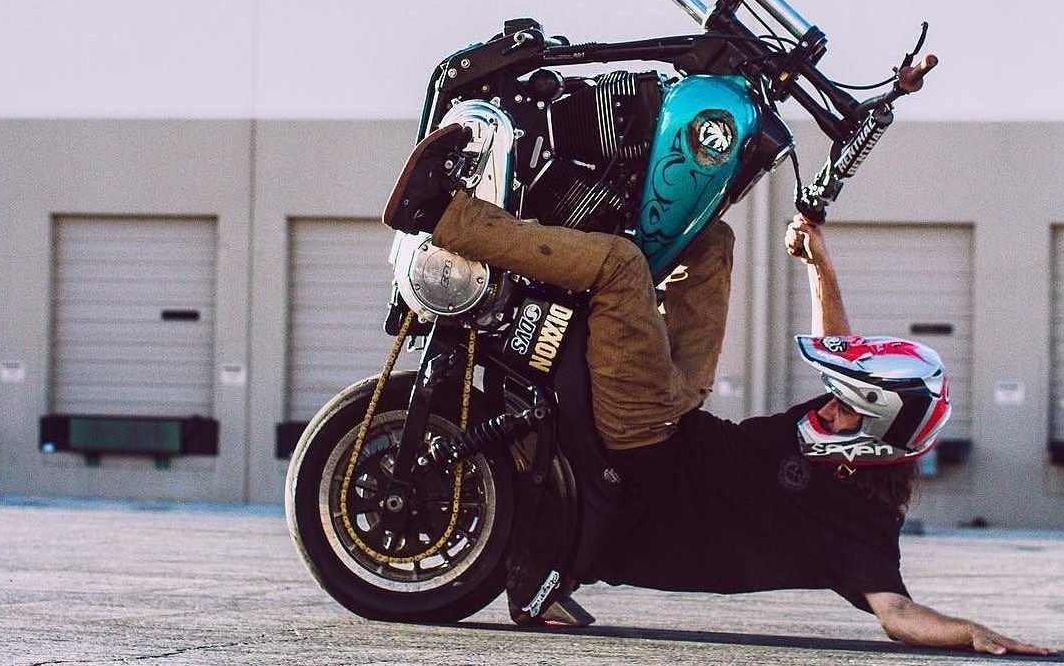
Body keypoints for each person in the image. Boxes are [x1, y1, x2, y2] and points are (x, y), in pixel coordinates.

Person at [384, 124, 1057, 656]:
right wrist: (819, 264)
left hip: (640, 441)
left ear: (870, 440)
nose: (826, 402)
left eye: (844, 405)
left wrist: (969, 629)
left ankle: (446, 216)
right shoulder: (843, 434)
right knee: (711, 242)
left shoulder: (859, 534)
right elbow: (838, 343)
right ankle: (581, 214)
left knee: (619, 270)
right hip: (679, 413)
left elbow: (898, 614)